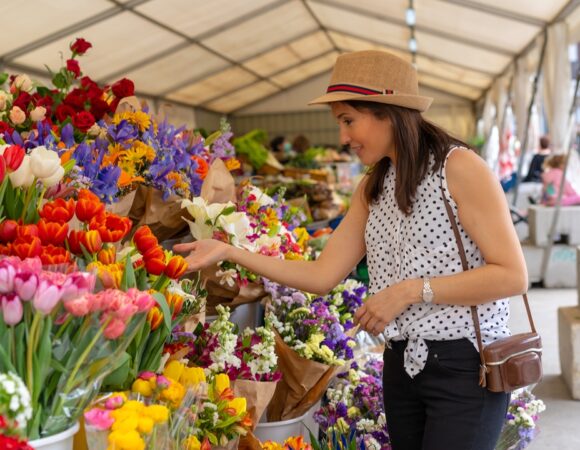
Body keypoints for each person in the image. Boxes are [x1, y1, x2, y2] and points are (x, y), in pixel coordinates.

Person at [175, 50, 527, 450]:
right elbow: (322, 275)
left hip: (465, 368)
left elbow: (512, 275)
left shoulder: (459, 168)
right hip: (401, 367)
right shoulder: (373, 186)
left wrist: (410, 290)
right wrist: (229, 252)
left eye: (348, 120)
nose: (342, 138)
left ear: (388, 112)